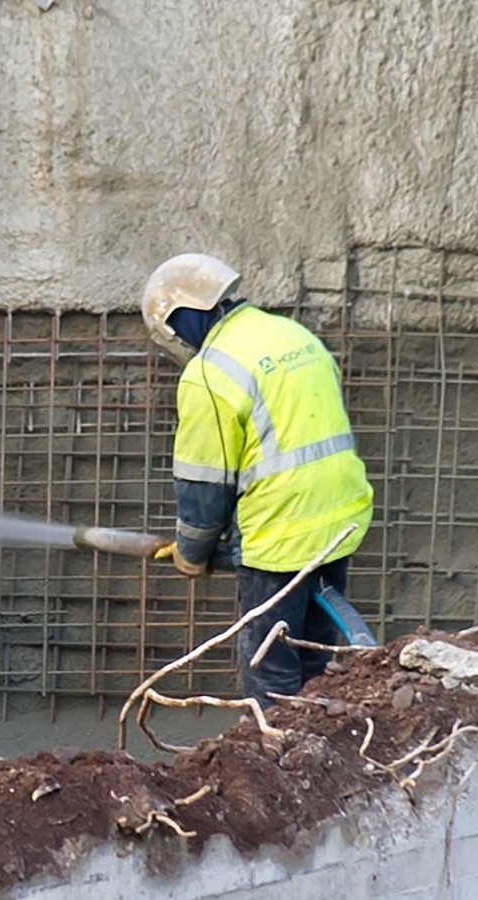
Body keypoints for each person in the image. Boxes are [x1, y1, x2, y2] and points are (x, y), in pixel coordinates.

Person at [140, 253, 373, 705]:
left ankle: (278, 763)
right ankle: (321, 752)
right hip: (340, 520)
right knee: (316, 660)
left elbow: (204, 486)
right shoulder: (290, 333)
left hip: (278, 537)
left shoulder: (209, 373)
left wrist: (191, 552)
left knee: (270, 672)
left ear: (174, 323)